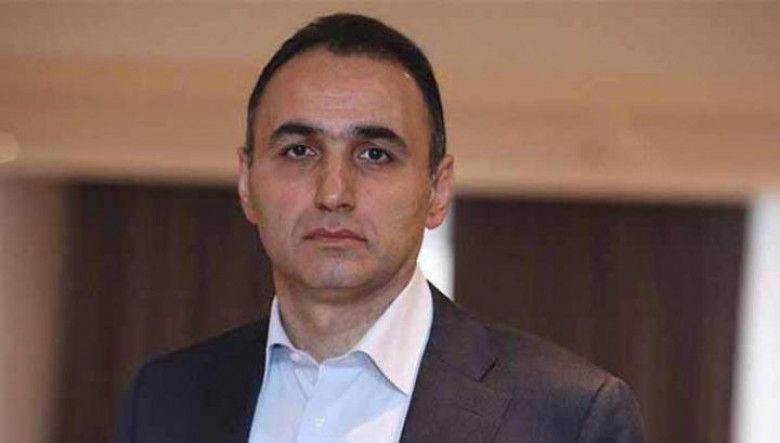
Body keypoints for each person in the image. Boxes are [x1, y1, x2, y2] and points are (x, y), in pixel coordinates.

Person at [117, 13, 644, 443]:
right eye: (299, 151)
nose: (333, 193)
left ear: (437, 190)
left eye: (375, 154)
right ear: (247, 183)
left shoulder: (569, 418)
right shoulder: (165, 399)